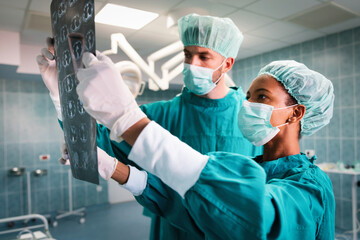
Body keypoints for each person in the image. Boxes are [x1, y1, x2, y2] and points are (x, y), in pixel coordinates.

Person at [37, 13, 262, 239]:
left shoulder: (252, 119)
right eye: (187, 55)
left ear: (227, 64)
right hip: (173, 229)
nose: (193, 64)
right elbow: (101, 141)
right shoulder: (159, 115)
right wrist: (61, 98)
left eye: (204, 57)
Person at [75, 57, 336, 239]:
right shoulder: (256, 168)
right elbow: (193, 210)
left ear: (295, 113)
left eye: (262, 97)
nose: (247, 104)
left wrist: (128, 120)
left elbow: (256, 218)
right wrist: (119, 171)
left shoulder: (310, 185)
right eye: (248, 96)